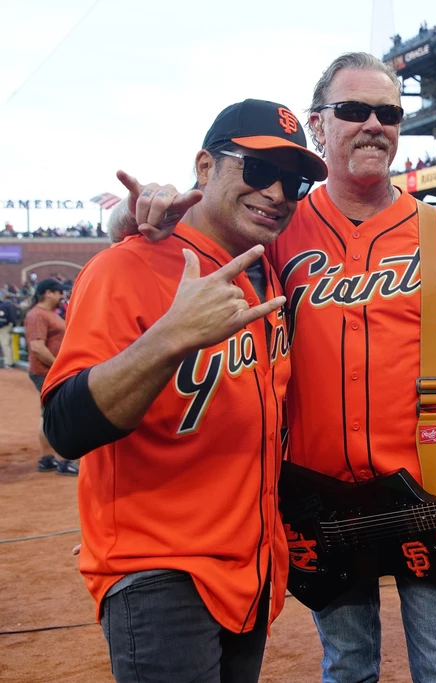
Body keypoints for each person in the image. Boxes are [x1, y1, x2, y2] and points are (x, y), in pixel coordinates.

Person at [105, 52, 436, 683]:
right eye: (354, 110)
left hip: (430, 492)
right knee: (348, 667)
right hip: (322, 502)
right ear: (318, 127)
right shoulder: (275, 225)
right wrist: (126, 217)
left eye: (388, 112)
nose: (373, 123)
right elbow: (178, 224)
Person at [40, 99, 326, 682]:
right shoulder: (128, 266)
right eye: (258, 169)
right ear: (205, 166)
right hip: (161, 574)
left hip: (251, 569)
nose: (277, 192)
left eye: (292, 181)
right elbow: (64, 427)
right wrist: (169, 338)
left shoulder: (267, 270)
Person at [23, 278, 77, 475]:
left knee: (48, 414)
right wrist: (59, 366)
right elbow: (37, 347)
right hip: (47, 372)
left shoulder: (45, 314)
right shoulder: (37, 315)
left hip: (49, 371)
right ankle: (64, 461)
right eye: (58, 292)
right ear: (48, 293)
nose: (62, 296)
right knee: (61, 415)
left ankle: (47, 459)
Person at [0, 291, 18, 368]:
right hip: (11, 326)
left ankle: (8, 363)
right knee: (9, 344)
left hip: (4, 327)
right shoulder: (13, 305)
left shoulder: (4, 306)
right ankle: (11, 361)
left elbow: (2, 318)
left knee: (5, 344)